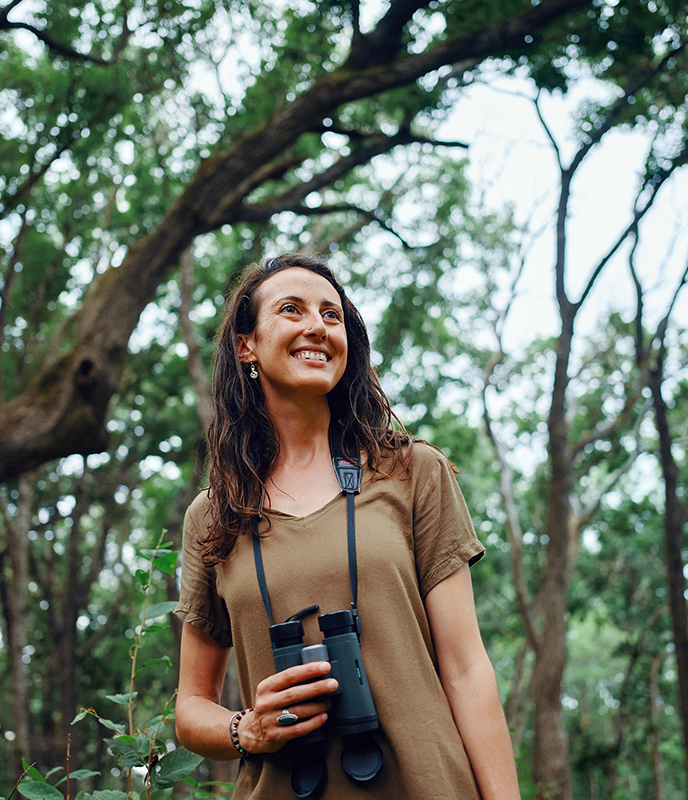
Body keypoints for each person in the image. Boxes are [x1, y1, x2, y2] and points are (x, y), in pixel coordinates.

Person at [174, 252, 519, 799]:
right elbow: (190, 707)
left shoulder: (411, 472)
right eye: (292, 310)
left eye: (331, 315)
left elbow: (467, 669)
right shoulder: (214, 516)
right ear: (247, 346)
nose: (317, 326)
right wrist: (248, 728)